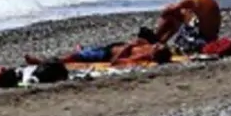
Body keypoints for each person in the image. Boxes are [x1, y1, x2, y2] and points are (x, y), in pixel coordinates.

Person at [148, 0, 221, 52]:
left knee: (172, 14)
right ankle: (159, 41)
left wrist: (163, 17)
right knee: (180, 15)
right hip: (212, 38)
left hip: (202, 41)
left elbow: (169, 10)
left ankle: (155, 40)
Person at [26, 38, 171, 67]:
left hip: (106, 55)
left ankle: (42, 62)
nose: (157, 44)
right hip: (111, 47)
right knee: (87, 52)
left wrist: (128, 47)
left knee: (72, 58)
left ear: (155, 53)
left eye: (158, 47)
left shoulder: (145, 56)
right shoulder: (149, 46)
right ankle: (83, 51)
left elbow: (115, 63)